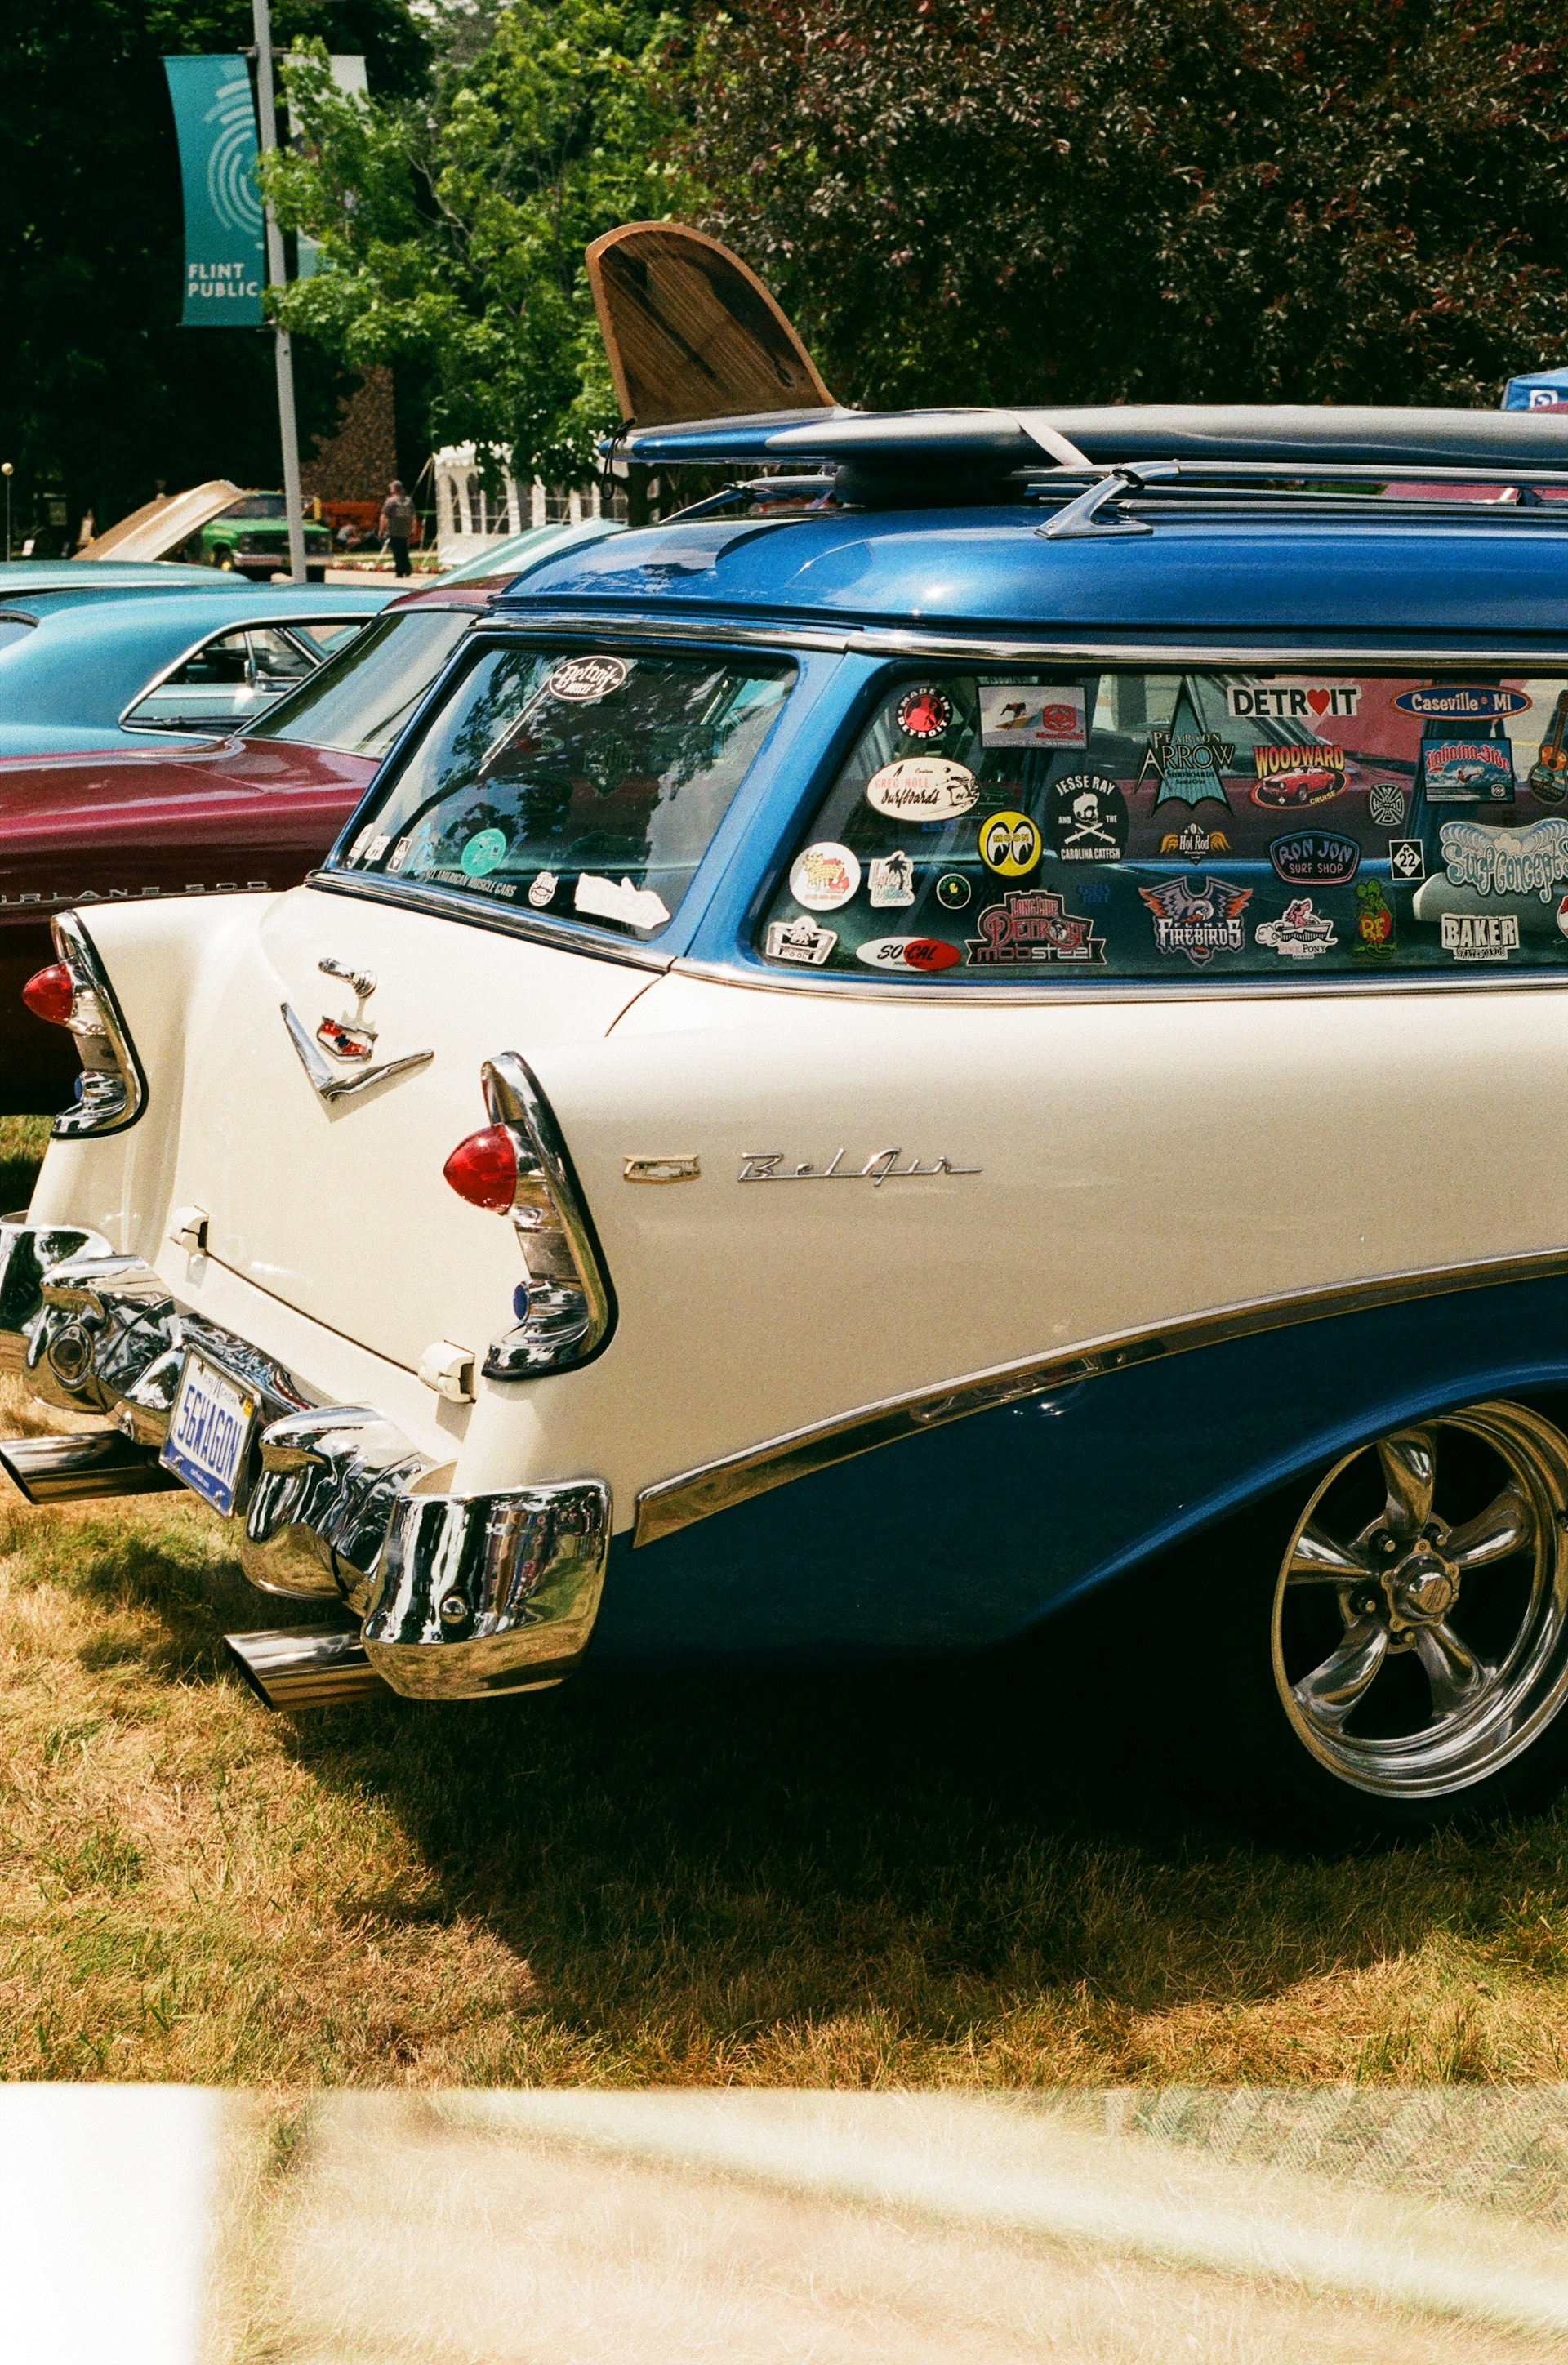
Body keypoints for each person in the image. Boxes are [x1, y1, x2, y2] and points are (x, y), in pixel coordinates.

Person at [378, 479, 416, 577]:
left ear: (394, 489)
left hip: (394, 529)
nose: (390, 489)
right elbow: (413, 515)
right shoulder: (408, 500)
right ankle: (407, 568)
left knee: (396, 550)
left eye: (391, 487)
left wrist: (381, 530)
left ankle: (400, 570)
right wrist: (413, 527)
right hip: (405, 529)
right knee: (404, 549)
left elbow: (383, 515)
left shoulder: (390, 501)